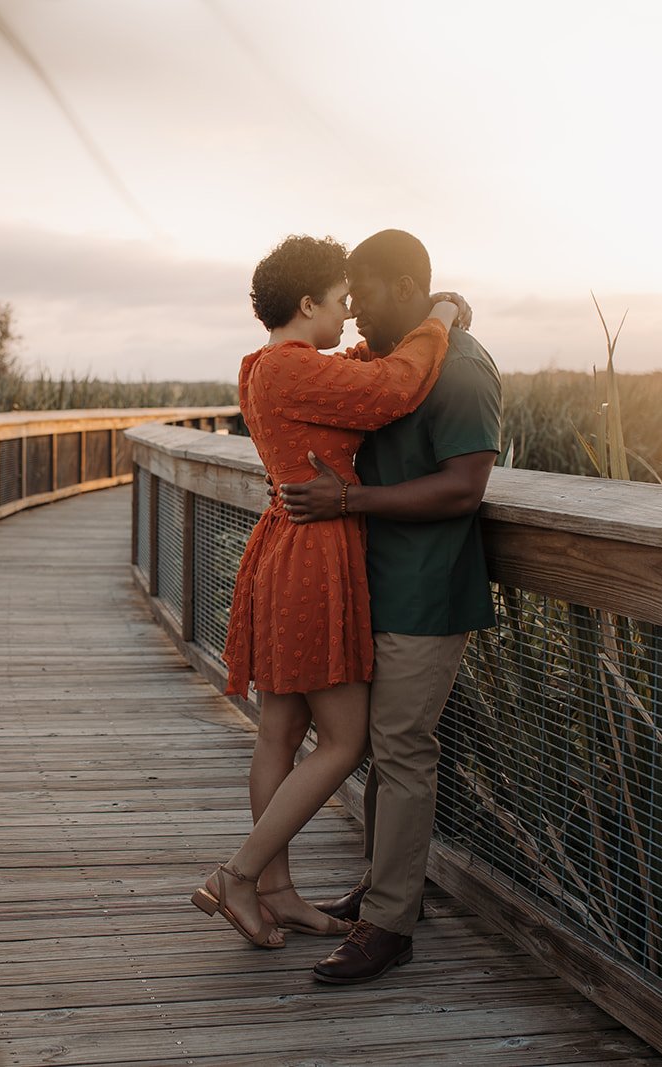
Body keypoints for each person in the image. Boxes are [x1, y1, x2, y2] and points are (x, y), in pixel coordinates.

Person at [192, 234, 467, 950]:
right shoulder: (291, 371)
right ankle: (242, 874)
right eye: (341, 302)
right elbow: (392, 388)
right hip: (315, 559)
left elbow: (352, 371)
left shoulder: (264, 366)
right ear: (307, 302)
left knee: (280, 732)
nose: (349, 317)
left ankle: (276, 892)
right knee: (344, 741)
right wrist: (435, 318)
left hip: (284, 548)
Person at [276, 229, 502, 984]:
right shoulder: (388, 361)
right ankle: (385, 887)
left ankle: (390, 925)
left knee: (403, 748)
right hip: (374, 583)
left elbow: (465, 487)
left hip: (427, 590)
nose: (355, 311)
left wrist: (350, 499)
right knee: (381, 747)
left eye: (363, 295)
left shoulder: (463, 370)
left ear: (406, 288)